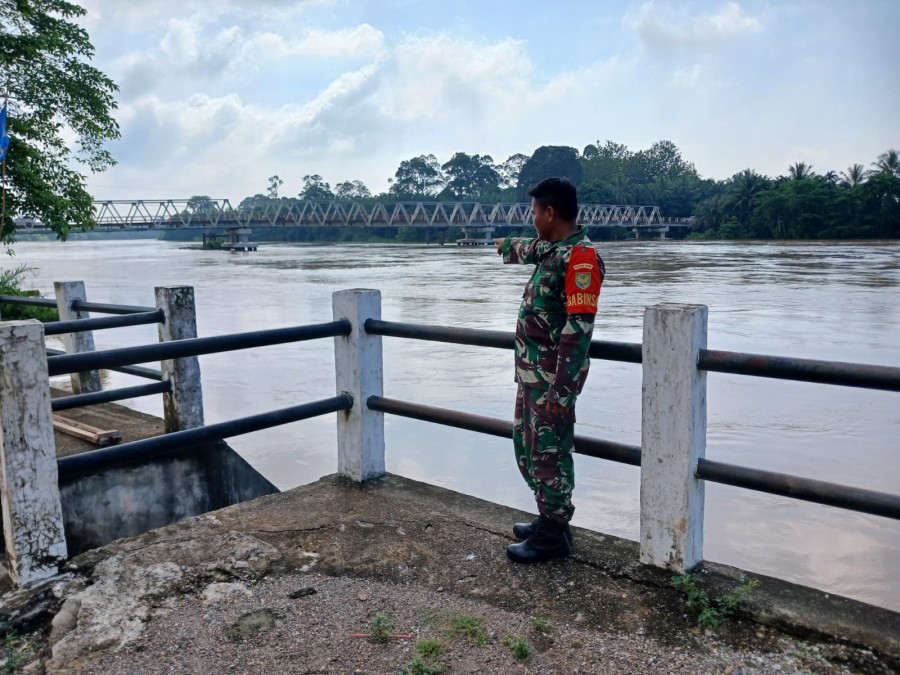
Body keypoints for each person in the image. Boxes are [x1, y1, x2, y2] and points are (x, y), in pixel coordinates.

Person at [494, 177, 605, 564]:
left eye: (535, 211)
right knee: (528, 451)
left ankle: (554, 535)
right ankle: (548, 518)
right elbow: (529, 247)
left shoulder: (582, 259)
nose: (533, 218)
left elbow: (579, 329)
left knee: (550, 455)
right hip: (531, 376)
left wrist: (562, 390)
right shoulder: (554, 250)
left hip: (552, 382)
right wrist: (504, 247)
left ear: (550, 212)